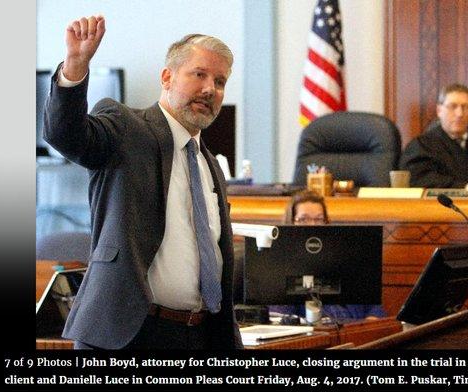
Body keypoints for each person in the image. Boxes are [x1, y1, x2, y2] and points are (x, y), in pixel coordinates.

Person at [43, 15, 242, 349]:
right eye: (199, 74)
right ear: (167, 77)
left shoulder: (210, 165)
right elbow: (65, 135)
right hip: (130, 335)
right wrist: (75, 67)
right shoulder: (126, 127)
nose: (210, 89)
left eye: (220, 81)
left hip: (199, 335)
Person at [269, 191, 386, 321]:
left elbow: (373, 307)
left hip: (355, 332)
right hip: (313, 336)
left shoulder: (346, 257)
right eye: (303, 219)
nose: (312, 225)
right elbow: (279, 318)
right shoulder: (280, 264)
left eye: (318, 219)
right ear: (291, 223)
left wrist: (369, 326)